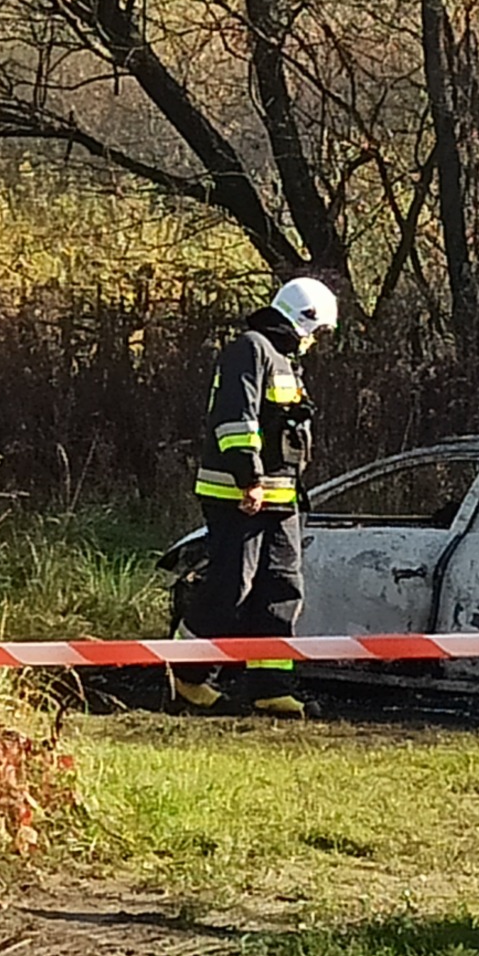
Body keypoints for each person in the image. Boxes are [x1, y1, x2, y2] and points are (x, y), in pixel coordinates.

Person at [170, 277, 338, 716]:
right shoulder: (251, 349)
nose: (316, 342)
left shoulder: (285, 360)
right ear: (305, 320)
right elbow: (235, 418)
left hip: (281, 499)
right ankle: (186, 675)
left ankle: (270, 686)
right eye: (318, 332)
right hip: (238, 494)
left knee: (282, 589)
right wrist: (249, 479)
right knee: (231, 586)